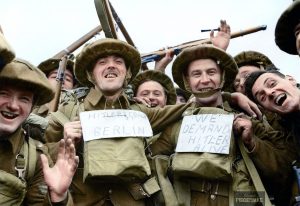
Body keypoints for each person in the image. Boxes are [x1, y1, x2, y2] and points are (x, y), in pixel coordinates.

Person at [150, 44, 288, 205]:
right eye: (196, 74)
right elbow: (149, 164)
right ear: (187, 81)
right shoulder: (176, 125)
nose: (205, 80)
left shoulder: (248, 119)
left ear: (222, 76)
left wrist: (252, 142)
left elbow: (283, 172)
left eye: (211, 72)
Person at [0, 58, 78, 205]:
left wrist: (58, 197)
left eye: (24, 99)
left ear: (31, 107)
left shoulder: (36, 158)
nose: (13, 105)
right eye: (4, 93)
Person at [244, 69, 300, 205]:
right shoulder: (290, 138)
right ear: (266, 109)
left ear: (290, 80)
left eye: (271, 84)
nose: (269, 93)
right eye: (262, 97)